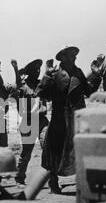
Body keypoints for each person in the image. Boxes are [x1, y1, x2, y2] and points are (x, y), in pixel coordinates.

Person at [37, 46, 93, 194]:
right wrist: (47, 76)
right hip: (59, 118)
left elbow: (89, 91)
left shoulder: (78, 72)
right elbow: (41, 92)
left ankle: (84, 183)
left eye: (75, 55)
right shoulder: (54, 75)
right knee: (55, 150)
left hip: (76, 117)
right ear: (63, 57)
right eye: (71, 55)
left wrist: (96, 74)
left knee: (79, 148)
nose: (75, 58)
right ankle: (53, 181)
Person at [10, 59, 49, 186]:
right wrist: (16, 69)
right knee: (26, 153)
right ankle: (19, 178)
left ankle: (52, 180)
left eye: (38, 70)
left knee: (48, 148)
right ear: (29, 73)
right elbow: (18, 84)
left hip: (42, 120)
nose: (37, 72)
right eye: (34, 70)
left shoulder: (42, 84)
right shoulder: (23, 86)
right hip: (28, 121)